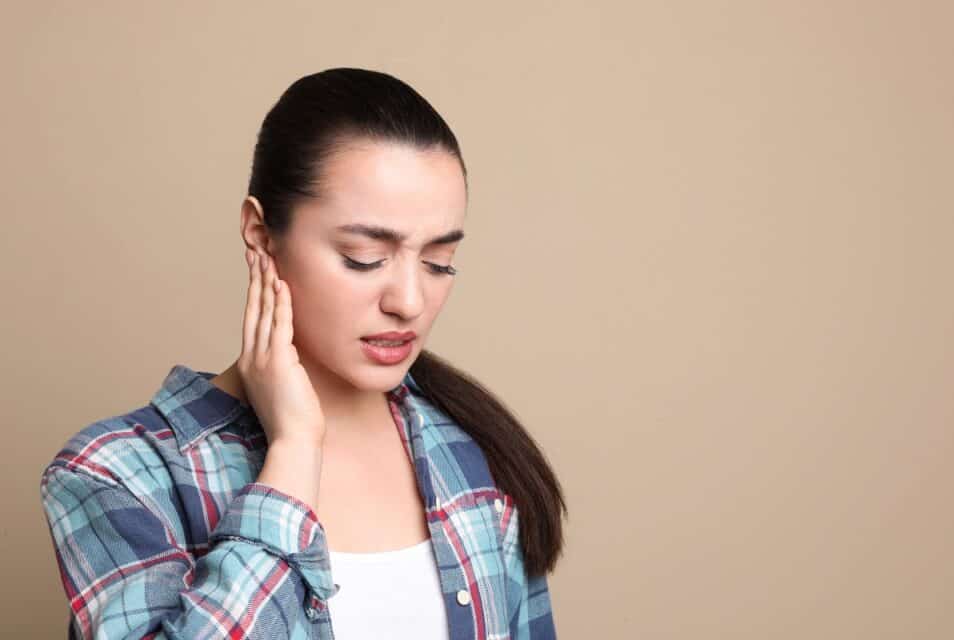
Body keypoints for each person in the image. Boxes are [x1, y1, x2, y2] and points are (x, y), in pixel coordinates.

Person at [39, 68, 566, 639]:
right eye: (365, 256)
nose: (410, 301)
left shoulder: (473, 452)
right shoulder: (118, 474)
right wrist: (291, 454)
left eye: (439, 262)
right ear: (262, 236)